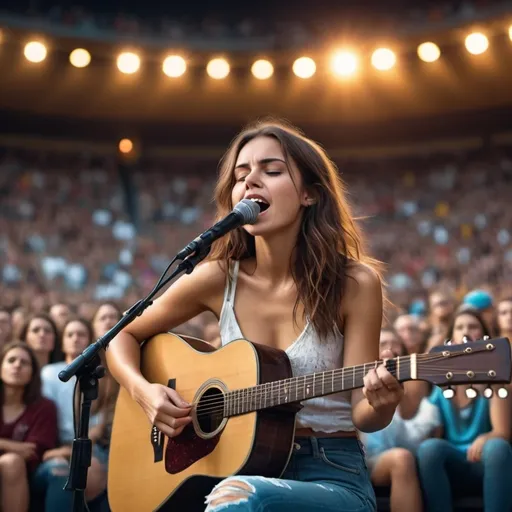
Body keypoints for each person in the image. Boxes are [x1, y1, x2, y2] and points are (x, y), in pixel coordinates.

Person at [106, 120, 404, 512]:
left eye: (272, 171)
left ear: (309, 194)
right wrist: (144, 393)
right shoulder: (216, 278)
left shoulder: (355, 282)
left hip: (330, 472)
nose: (250, 182)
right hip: (234, 466)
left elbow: (363, 414)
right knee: (237, 493)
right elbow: (119, 337)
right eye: (240, 175)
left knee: (240, 497)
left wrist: (382, 401)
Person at [417, 307, 512, 512]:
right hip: (454, 462)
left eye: (473, 326)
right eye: (459, 327)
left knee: (497, 447)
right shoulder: (441, 381)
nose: (466, 331)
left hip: (486, 462)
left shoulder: (495, 377)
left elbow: (502, 432)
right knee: (429, 449)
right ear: (451, 337)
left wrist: (485, 438)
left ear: (484, 335)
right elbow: (433, 430)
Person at [360, 329, 441, 512]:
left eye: (394, 343)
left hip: (377, 460)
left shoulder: (413, 387)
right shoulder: (352, 379)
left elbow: (409, 442)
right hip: (349, 455)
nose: (388, 349)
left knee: (402, 458)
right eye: (381, 343)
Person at [32, 317, 108, 511]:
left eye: (81, 334)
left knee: (98, 471)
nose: (75, 339)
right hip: (56, 445)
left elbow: (100, 424)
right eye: (70, 334)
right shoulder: (49, 373)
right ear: (62, 341)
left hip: (91, 446)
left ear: (91, 340)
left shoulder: (100, 376)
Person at [0, 341, 58, 512]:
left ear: (33, 373)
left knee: (12, 462)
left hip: (27, 474)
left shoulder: (44, 407)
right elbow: (21, 448)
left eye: (24, 362)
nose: (17, 365)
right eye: (11, 360)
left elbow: (31, 451)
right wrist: (8, 445)